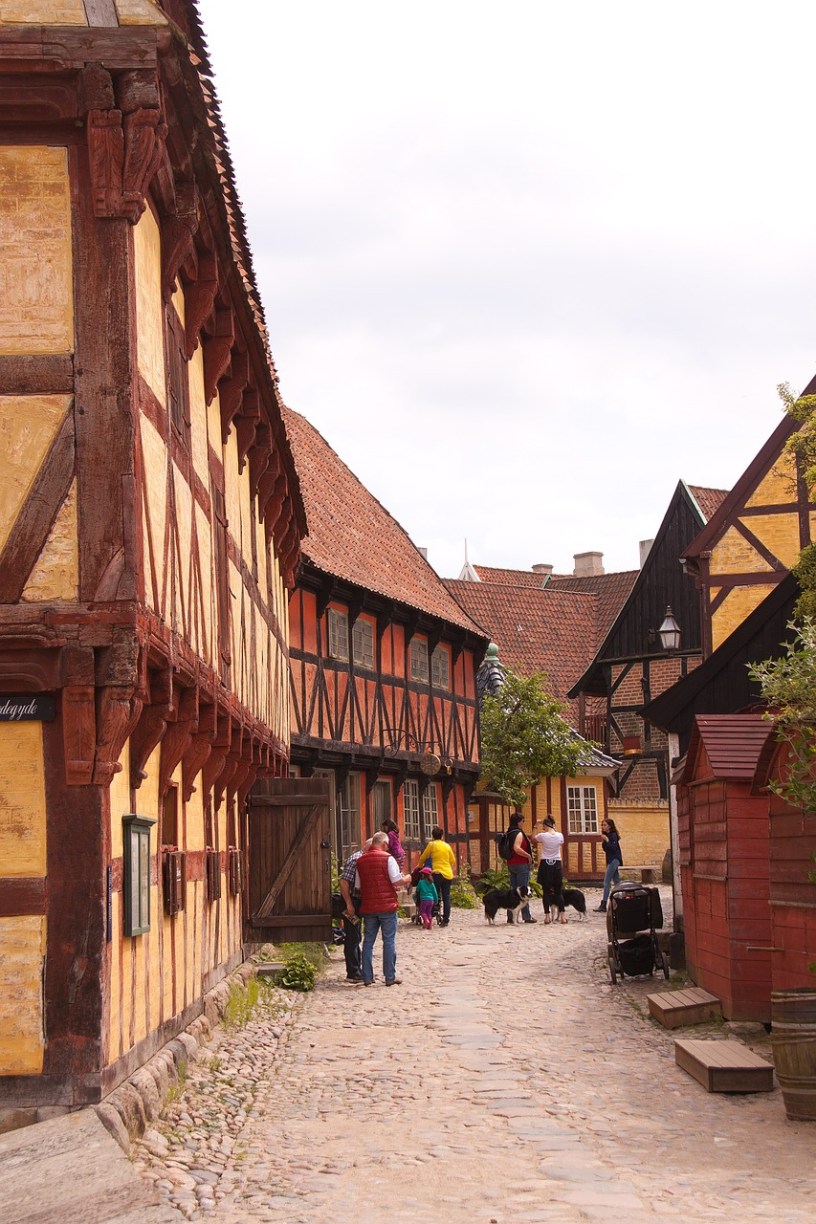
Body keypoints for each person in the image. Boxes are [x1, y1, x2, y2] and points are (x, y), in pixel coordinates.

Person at [355, 831, 411, 985]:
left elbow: (358, 886)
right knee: (389, 941)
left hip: (369, 907)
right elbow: (396, 881)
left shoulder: (360, 861)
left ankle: (367, 977)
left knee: (368, 942)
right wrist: (407, 878)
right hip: (387, 906)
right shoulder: (388, 858)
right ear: (384, 844)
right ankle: (389, 977)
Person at [338, 837, 373, 982]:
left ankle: (357, 969)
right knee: (352, 936)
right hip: (351, 903)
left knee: (357, 935)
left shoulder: (364, 858)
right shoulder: (355, 859)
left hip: (358, 902)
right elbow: (344, 882)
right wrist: (349, 904)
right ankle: (352, 972)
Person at [416, 825, 457, 926]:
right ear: (442, 836)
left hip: (437, 873)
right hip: (448, 874)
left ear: (433, 836)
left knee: (435, 893)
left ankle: (432, 912)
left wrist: (420, 867)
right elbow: (453, 860)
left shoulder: (432, 845)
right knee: (446, 897)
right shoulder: (447, 846)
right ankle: (446, 920)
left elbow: (423, 857)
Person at [533, 814, 567, 924]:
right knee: (558, 891)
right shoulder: (560, 835)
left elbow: (533, 838)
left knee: (546, 891)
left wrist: (535, 826)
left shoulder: (543, 836)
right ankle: (562, 917)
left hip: (546, 863)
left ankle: (547, 916)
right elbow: (561, 842)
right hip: (556, 863)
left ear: (545, 825)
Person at [505, 811, 537, 923]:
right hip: (521, 864)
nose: (523, 823)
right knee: (524, 890)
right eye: (523, 821)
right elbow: (516, 848)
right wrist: (528, 855)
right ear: (519, 822)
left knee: (513, 891)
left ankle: (510, 916)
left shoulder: (509, 832)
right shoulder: (518, 833)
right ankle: (526, 916)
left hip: (511, 864)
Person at [596, 817, 623, 912]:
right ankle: (621, 901)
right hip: (610, 860)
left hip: (614, 860)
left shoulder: (613, 835)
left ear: (610, 826)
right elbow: (606, 849)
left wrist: (607, 840)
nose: (603, 827)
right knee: (617, 881)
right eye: (602, 825)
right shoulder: (607, 835)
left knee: (606, 882)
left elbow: (613, 848)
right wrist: (604, 842)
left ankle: (603, 904)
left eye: (605, 825)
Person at [414, 864, 439, 929]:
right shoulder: (432, 883)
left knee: (422, 912)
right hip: (431, 900)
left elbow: (417, 890)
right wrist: (436, 901)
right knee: (429, 912)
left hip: (424, 900)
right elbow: (435, 893)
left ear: (423, 875)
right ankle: (429, 925)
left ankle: (426, 920)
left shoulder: (421, 882)